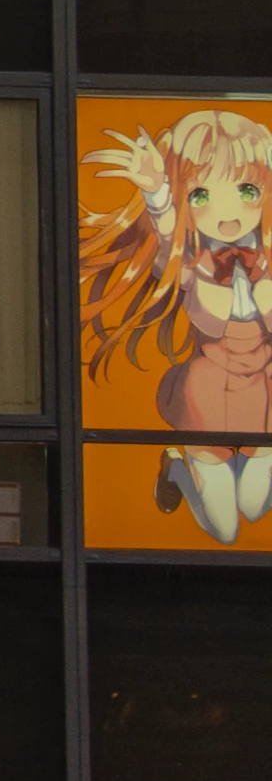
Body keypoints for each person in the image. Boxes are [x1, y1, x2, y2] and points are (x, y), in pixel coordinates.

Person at [92, 106, 272, 535]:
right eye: (201, 195)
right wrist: (155, 190)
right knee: (224, 528)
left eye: (247, 190)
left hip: (261, 391)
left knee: (255, 507)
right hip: (207, 389)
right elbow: (168, 235)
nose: (229, 215)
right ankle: (174, 468)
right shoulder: (191, 262)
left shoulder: (266, 254)